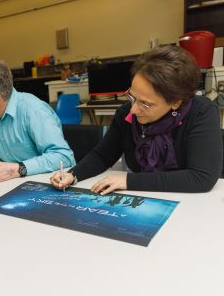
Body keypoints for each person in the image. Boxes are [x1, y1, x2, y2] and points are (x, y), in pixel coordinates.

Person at [51, 45, 223, 194]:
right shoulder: (126, 113)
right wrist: (72, 175)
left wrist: (128, 181)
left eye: (146, 104)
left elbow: (201, 177)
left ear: (176, 103)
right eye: (132, 97)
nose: (133, 110)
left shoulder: (201, 113)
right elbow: (103, 156)